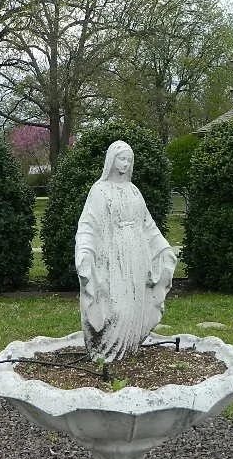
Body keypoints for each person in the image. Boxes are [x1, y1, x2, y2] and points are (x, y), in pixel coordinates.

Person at [75, 141, 177, 363]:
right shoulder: (100, 191)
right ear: (111, 161)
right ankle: (106, 353)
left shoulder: (134, 191)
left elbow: (148, 225)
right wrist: (85, 252)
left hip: (136, 256)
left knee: (133, 305)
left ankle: (128, 350)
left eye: (129, 160)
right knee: (117, 308)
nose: (126, 163)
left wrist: (163, 249)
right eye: (122, 158)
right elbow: (89, 225)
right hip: (113, 258)